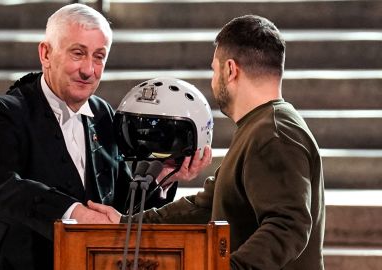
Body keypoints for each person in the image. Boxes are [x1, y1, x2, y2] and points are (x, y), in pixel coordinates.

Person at [0, 4, 211, 270]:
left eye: (99, 56)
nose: (89, 70)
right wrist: (75, 213)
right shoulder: (2, 112)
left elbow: (120, 208)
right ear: (46, 53)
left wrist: (163, 177)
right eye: (78, 53)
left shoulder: (104, 114)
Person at [90, 15, 326, 270]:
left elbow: (288, 225)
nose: (214, 80)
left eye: (215, 69)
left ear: (231, 70)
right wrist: (129, 223)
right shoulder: (261, 126)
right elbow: (205, 205)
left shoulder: (274, 133)